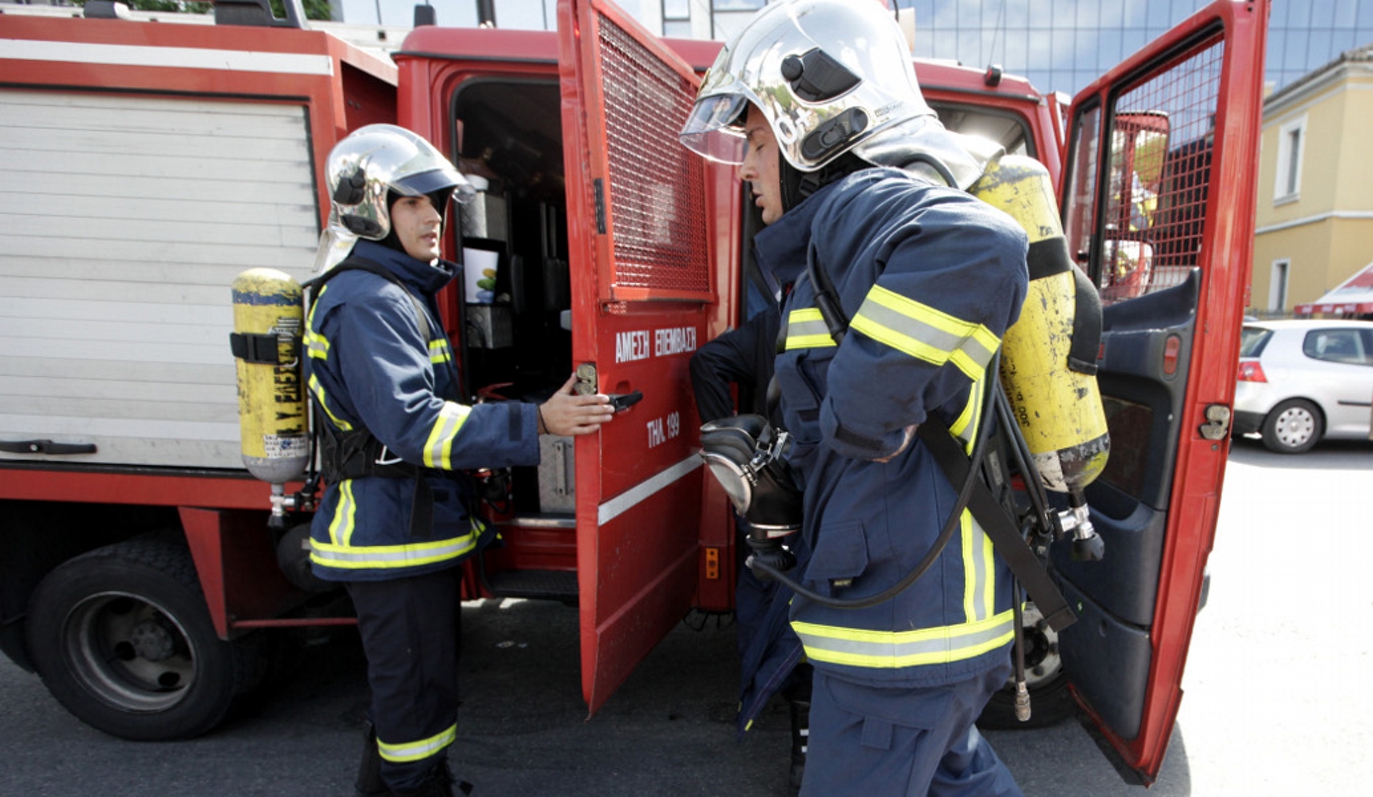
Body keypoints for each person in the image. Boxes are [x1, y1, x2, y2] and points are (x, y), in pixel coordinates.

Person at [680, 2, 1029, 795]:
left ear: (817, 129)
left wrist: (857, 419)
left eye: (755, 143)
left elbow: (980, 244)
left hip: (899, 646)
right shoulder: (841, 243)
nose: (744, 169)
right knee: (954, 776)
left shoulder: (855, 204)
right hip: (934, 627)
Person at [303, 124, 613, 797]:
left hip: (404, 531)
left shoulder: (392, 293)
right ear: (370, 209)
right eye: (413, 203)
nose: (433, 219)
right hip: (392, 538)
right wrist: (537, 422)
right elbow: (413, 424)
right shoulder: (368, 300)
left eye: (437, 204)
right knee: (414, 707)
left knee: (410, 699)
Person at [690, 302, 814, 796]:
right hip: (837, 489)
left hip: (774, 495)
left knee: (774, 607)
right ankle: (812, 741)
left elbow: (706, 361)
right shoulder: (858, 304)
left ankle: (797, 734)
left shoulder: (776, 320)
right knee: (821, 612)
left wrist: (739, 454)